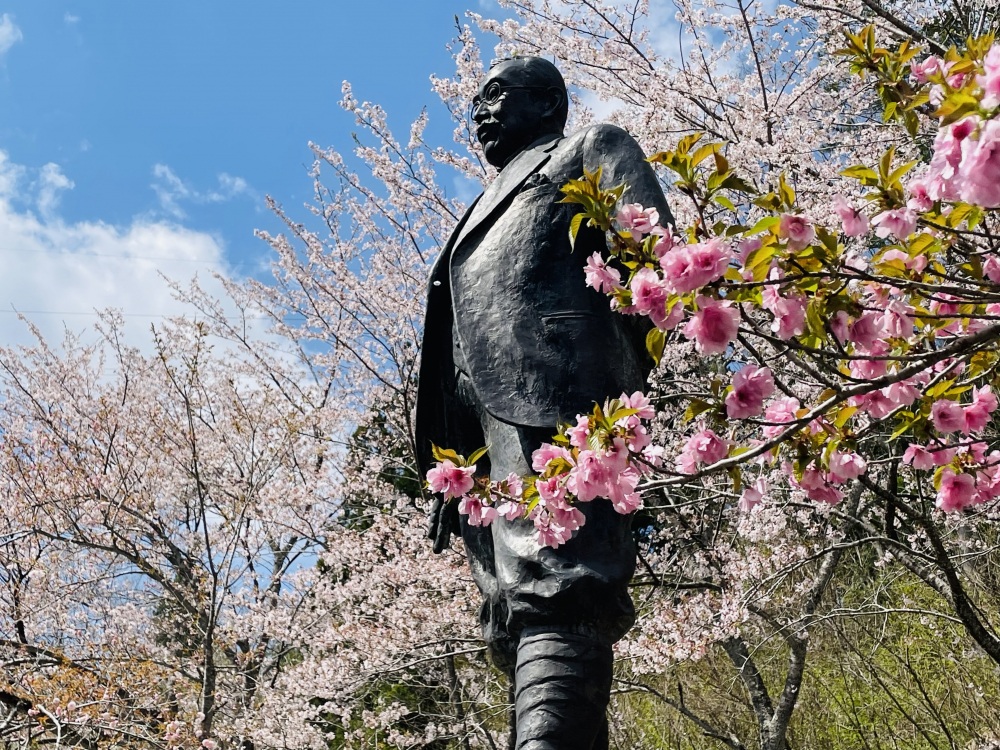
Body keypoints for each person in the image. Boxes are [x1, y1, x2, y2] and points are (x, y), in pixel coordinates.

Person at [414, 56, 672, 750]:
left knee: (563, 582)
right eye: (473, 97)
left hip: (565, 408)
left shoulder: (589, 150)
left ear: (547, 100)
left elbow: (657, 269)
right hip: (485, 434)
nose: (479, 109)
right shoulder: (479, 203)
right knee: (513, 599)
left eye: (496, 93)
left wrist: (605, 382)